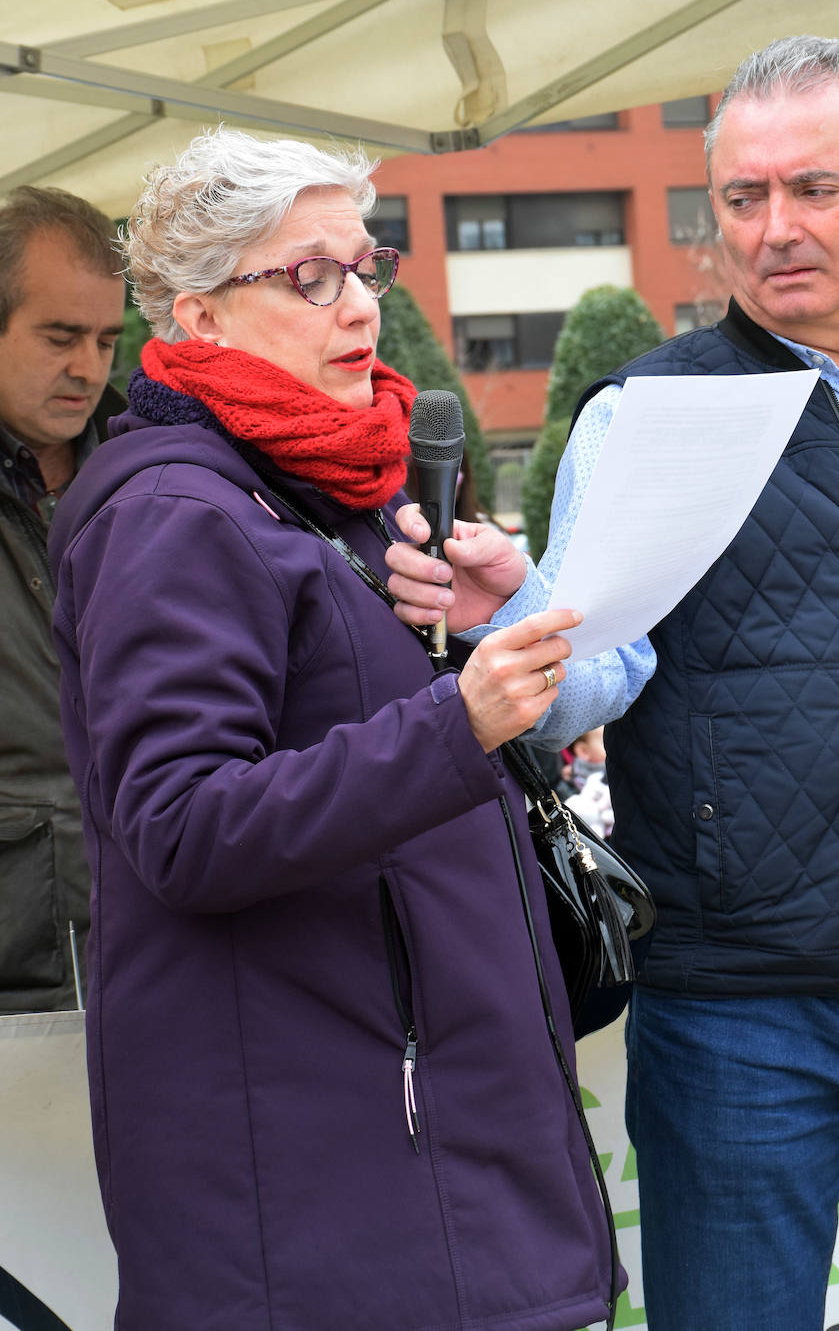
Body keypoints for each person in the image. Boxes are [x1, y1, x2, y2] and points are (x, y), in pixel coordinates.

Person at [386, 35, 839, 1330]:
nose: (774, 228)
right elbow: (578, 692)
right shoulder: (651, 414)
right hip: (742, 1025)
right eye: (741, 198)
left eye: (814, 189)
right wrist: (523, 633)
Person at [47, 125, 616, 1331]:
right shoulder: (173, 510)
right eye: (309, 276)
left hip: (433, 1171)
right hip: (329, 1210)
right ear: (195, 319)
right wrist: (455, 722)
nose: (357, 304)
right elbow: (184, 826)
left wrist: (459, 645)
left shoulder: (334, 497)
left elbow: (380, 766)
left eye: (367, 265)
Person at [0, 185, 124, 1013]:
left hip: (155, 946)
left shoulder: (151, 474)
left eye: (108, 339)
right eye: (59, 336)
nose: (88, 366)